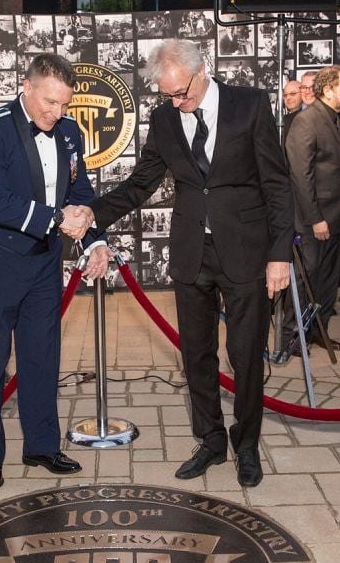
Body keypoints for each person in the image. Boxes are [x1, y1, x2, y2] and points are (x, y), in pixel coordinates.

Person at [86, 40, 293, 487]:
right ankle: (211, 441)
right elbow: (141, 183)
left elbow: (277, 184)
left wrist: (280, 253)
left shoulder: (250, 105)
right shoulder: (164, 119)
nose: (178, 102)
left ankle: (248, 445)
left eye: (183, 93)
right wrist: (92, 213)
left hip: (246, 250)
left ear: (204, 71)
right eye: (169, 96)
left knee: (244, 356)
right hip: (191, 253)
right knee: (196, 354)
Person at [0, 53, 109, 491]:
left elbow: (79, 189)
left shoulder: (68, 132)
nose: (56, 113)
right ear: (25, 86)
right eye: (49, 102)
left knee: (41, 356)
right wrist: (55, 219)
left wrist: (93, 236)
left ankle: (42, 447)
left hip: (45, 260)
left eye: (64, 104)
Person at [281, 66, 340, 354]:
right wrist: (316, 219)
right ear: (328, 90)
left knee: (326, 281)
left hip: (338, 217)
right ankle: (292, 337)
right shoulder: (306, 121)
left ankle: (318, 331)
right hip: (315, 222)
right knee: (304, 280)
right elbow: (300, 176)